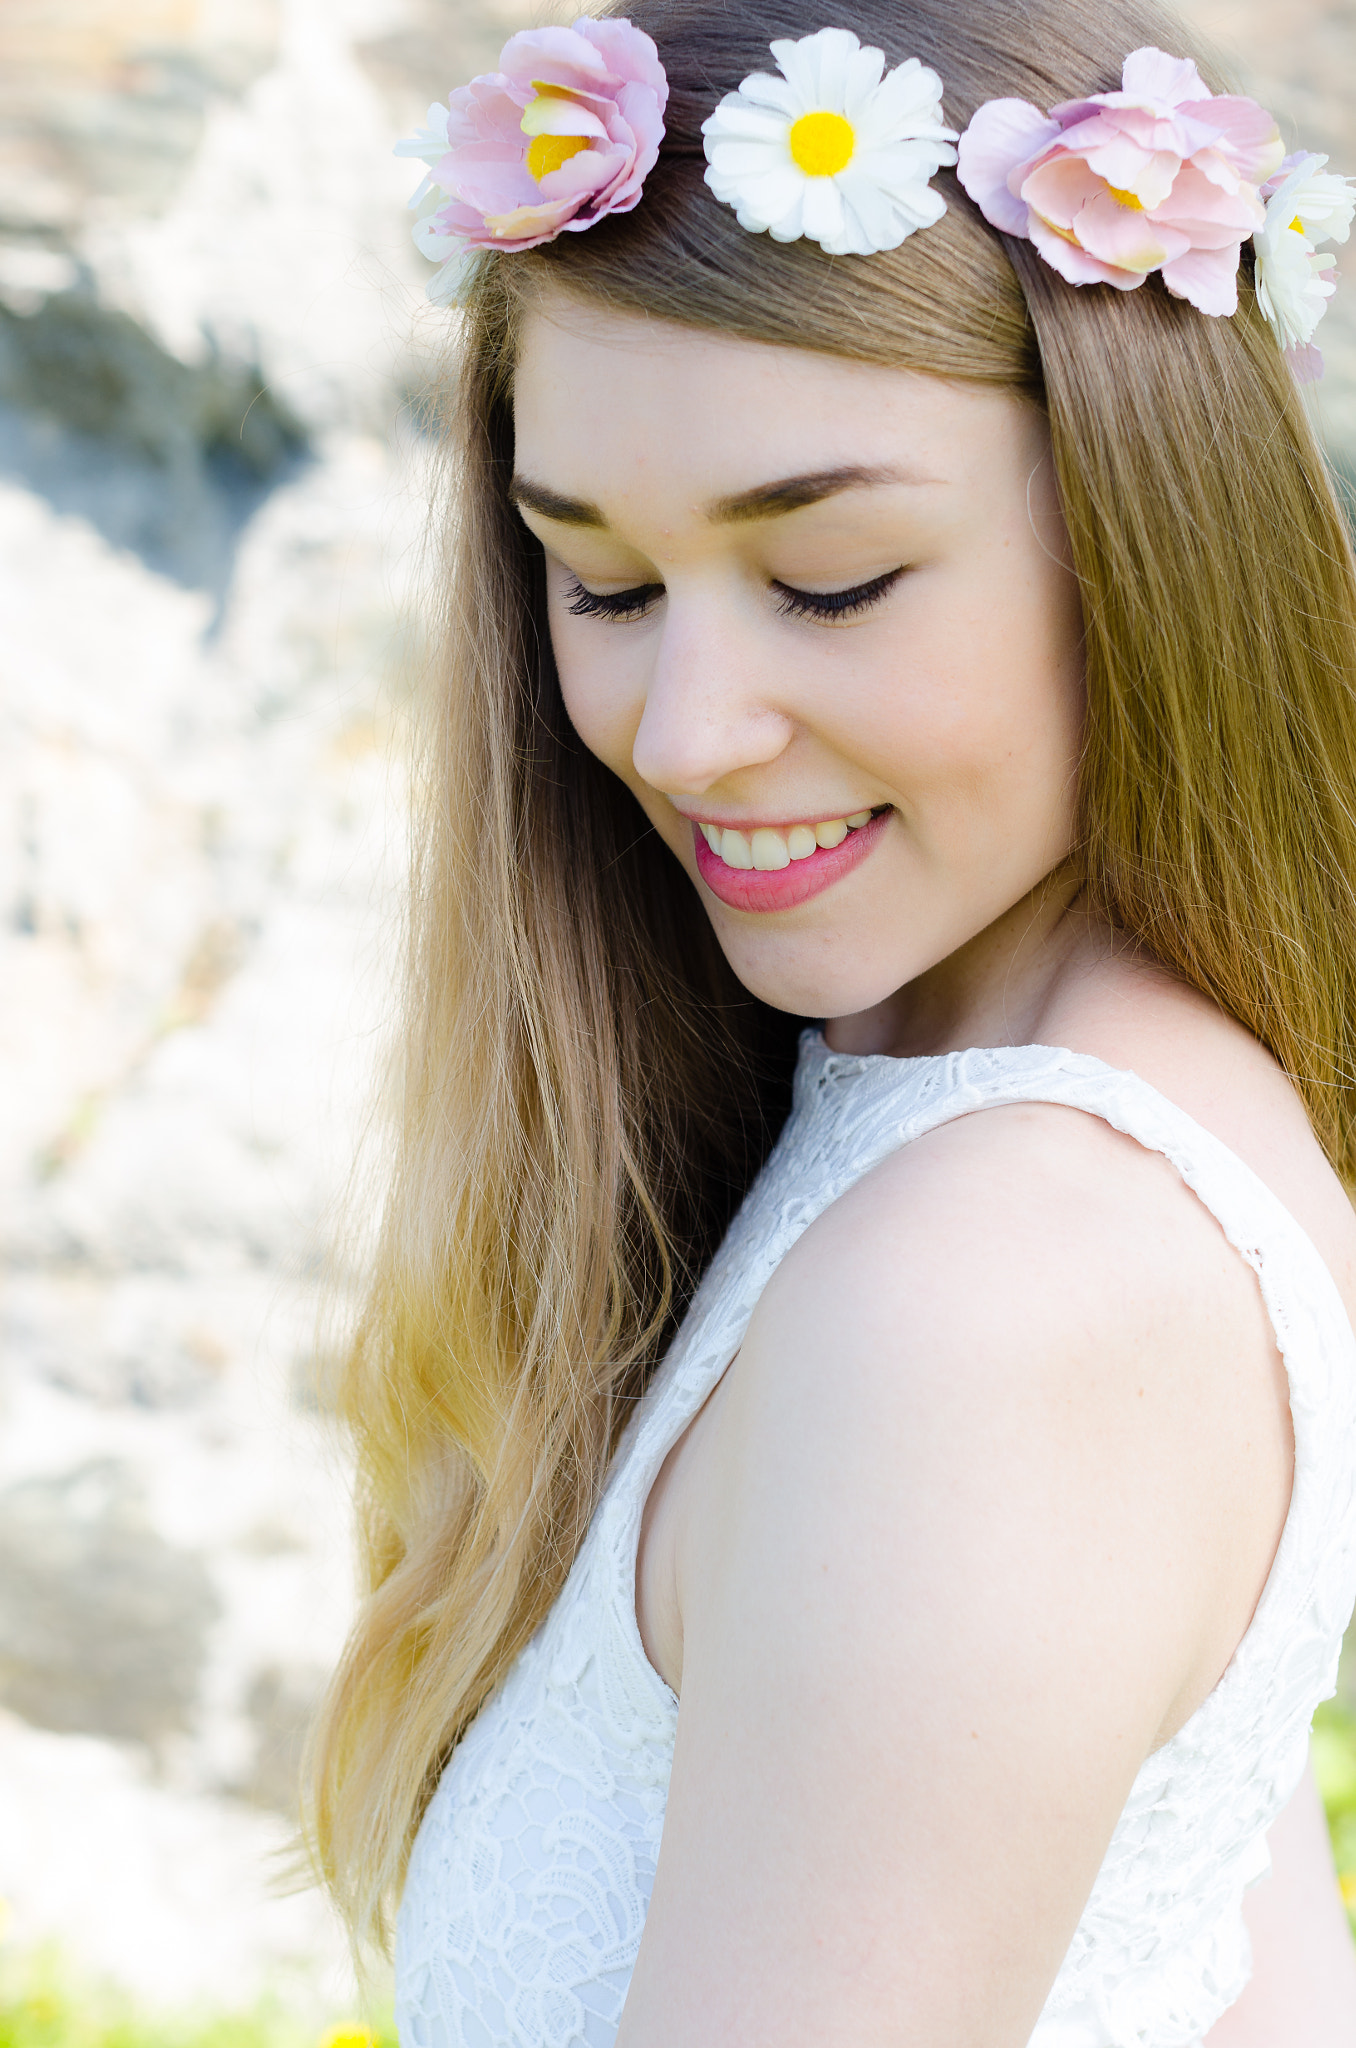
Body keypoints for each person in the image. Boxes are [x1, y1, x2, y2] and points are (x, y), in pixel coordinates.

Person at [306, 0, 1356, 2040]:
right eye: (598, 585)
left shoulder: (1004, 1289)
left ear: (1144, 542)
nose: (684, 735)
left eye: (838, 575)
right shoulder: (1009, 1123)